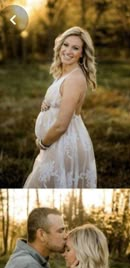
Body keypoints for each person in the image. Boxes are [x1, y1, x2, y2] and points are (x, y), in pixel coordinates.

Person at [24, 26, 97, 188]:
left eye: (75, 48)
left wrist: (43, 143)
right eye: (66, 45)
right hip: (59, 141)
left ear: (82, 54)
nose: (68, 51)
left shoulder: (74, 79)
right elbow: (71, 106)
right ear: (60, 46)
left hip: (63, 142)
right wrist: (48, 105)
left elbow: (62, 125)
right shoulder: (65, 73)